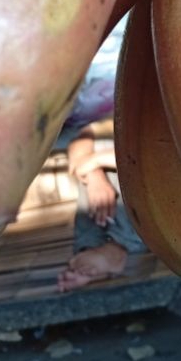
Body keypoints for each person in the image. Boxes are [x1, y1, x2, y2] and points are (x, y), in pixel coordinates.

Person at [54, 15, 149, 292]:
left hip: (143, 151)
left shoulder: (140, 91)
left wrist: (96, 162)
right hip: (98, 123)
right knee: (104, 167)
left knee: (127, 162)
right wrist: (93, 171)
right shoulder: (100, 106)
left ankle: (109, 249)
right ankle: (100, 250)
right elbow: (81, 147)